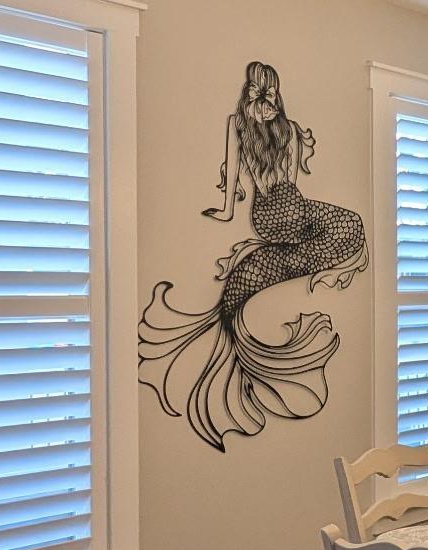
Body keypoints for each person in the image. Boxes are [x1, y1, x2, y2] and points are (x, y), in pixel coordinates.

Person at [139, 61, 369, 449]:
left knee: (336, 232)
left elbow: (233, 186)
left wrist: (228, 211)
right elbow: (291, 182)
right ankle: (293, 254)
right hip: (289, 210)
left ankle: (287, 255)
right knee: (350, 225)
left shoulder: (242, 126)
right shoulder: (286, 130)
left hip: (268, 217)